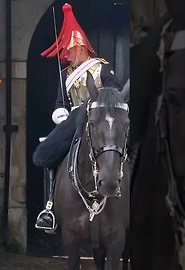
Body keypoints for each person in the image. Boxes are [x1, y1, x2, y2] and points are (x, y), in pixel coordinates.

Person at [33, 3, 123, 232]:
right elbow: (60, 102)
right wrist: (59, 113)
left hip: (102, 119)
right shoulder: (65, 75)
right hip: (74, 121)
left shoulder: (101, 69)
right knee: (47, 154)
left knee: (125, 147)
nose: (66, 55)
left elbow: (115, 95)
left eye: (68, 51)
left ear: (80, 47)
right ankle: (50, 208)